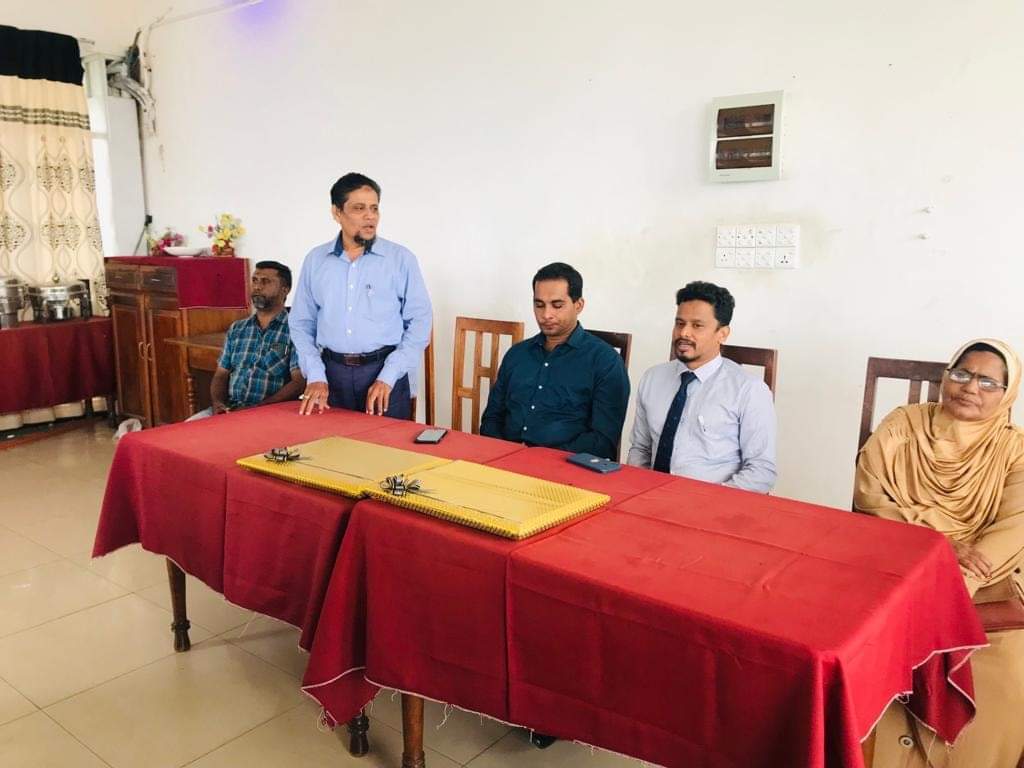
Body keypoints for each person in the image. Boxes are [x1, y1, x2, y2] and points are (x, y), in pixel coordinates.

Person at [855, 338, 1024, 768]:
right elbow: (870, 497)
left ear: (1007, 394)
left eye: (988, 382)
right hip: (897, 567)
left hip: (981, 587)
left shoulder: (1015, 449)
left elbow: (1013, 529)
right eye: (962, 374)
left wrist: (952, 589)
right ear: (946, 377)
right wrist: (939, 545)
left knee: (1008, 678)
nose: (970, 387)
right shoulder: (903, 424)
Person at [290, 172, 431, 419]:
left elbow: (420, 322)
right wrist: (315, 375)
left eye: (374, 208)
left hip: (384, 375)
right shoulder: (316, 260)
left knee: (387, 444)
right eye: (359, 208)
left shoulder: (400, 259)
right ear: (337, 212)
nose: (370, 216)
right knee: (330, 444)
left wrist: (388, 376)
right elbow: (301, 323)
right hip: (331, 377)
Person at [626, 281, 776, 492]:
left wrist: (707, 501)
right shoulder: (653, 378)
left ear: (722, 334)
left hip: (713, 502)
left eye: (697, 326)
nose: (684, 333)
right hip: (650, 497)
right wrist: (639, 490)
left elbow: (761, 471)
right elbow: (641, 449)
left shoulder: (749, 390)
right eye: (679, 323)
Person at [479, 262, 629, 460]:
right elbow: (491, 419)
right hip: (504, 461)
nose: (546, 315)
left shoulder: (605, 362)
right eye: (539, 305)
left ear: (579, 305)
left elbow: (602, 441)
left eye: (557, 305)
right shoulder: (517, 354)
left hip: (565, 469)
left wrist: (538, 458)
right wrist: (506, 454)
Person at [189, 261, 305, 419]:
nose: (257, 287)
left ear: (285, 289)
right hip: (230, 409)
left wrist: (257, 408)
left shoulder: (296, 331)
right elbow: (221, 374)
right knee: (187, 427)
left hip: (269, 413)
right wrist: (218, 404)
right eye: (255, 280)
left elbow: (299, 382)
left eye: (265, 281)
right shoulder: (237, 329)